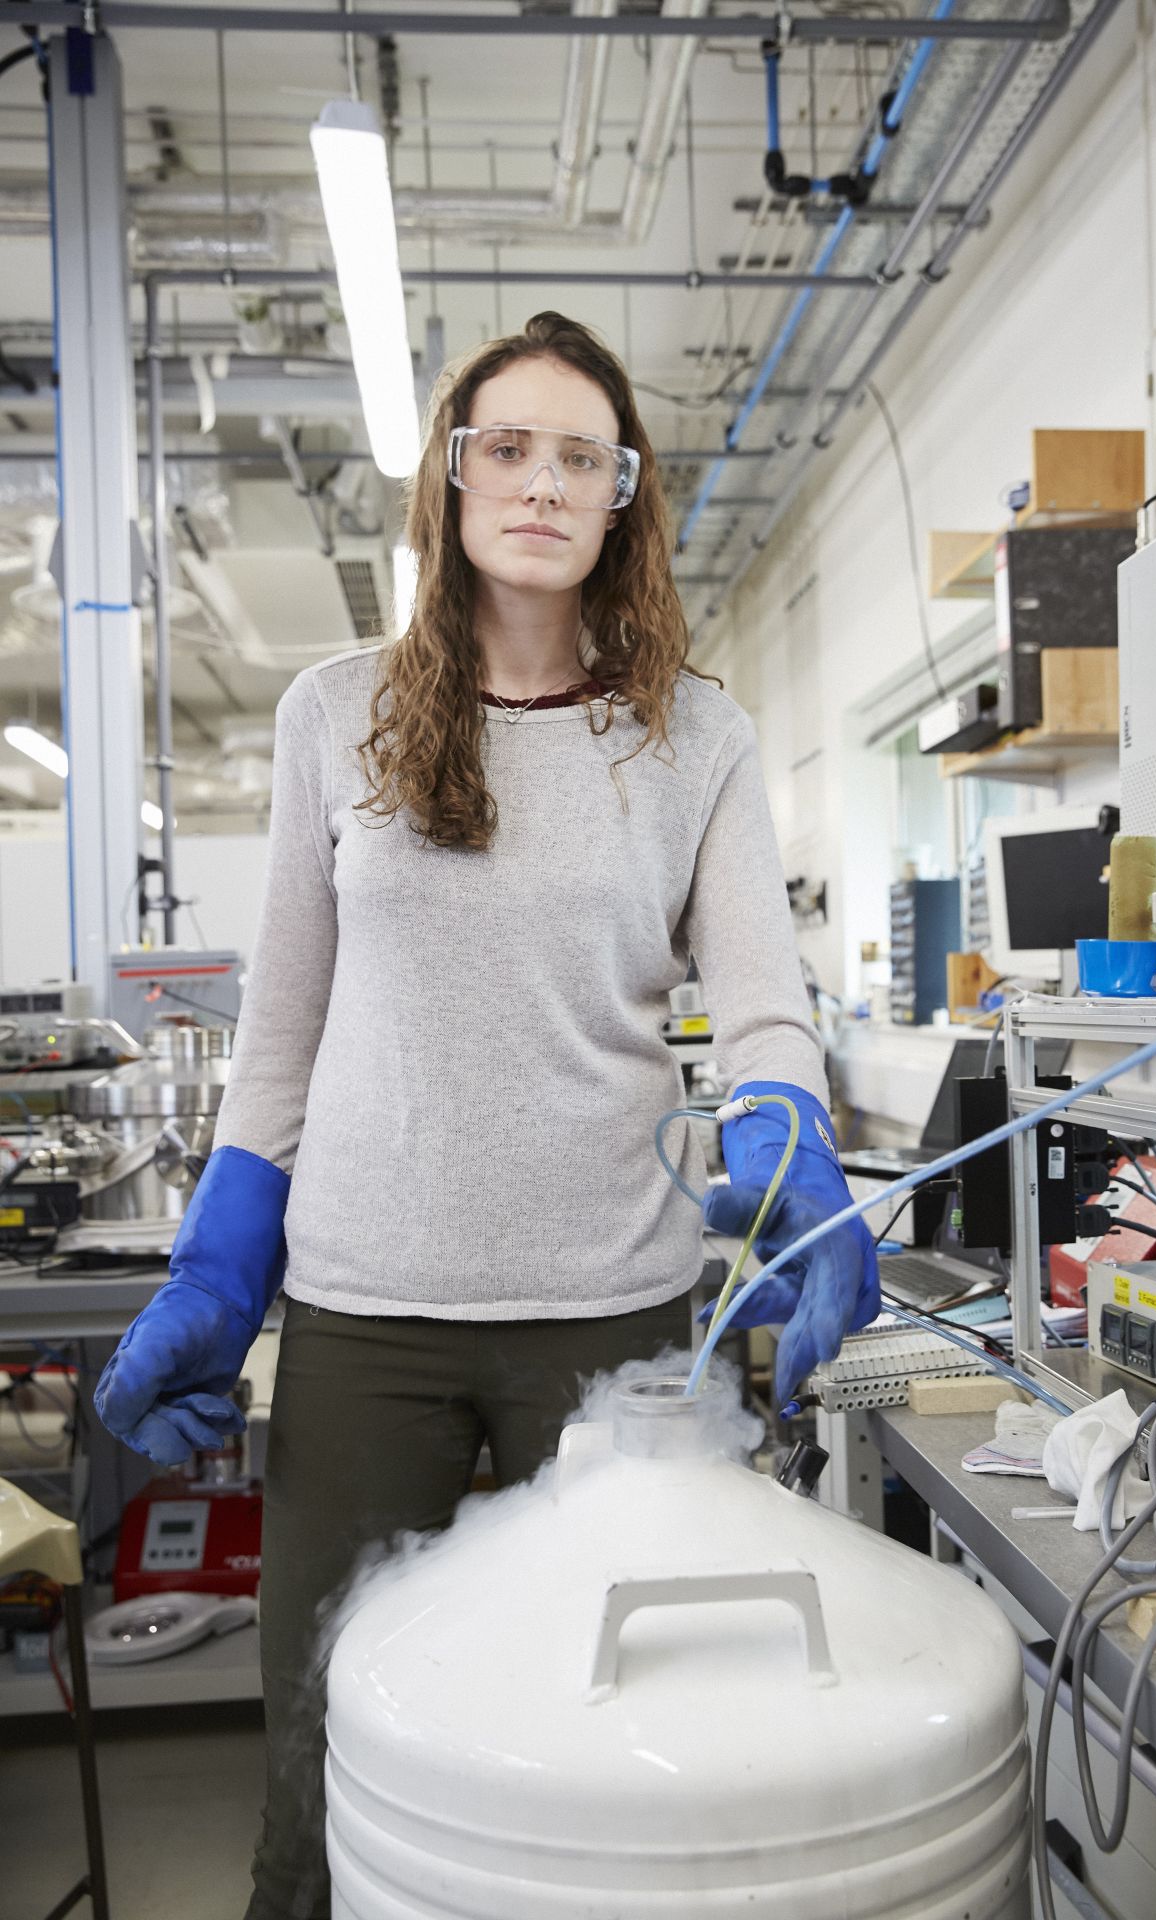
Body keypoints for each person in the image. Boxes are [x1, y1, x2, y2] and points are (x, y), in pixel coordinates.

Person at [94, 310, 879, 1918]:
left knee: (601, 1774)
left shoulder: (693, 733)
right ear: (450, 480)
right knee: (323, 1770)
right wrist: (214, 1265)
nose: (540, 481)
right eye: (505, 448)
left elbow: (761, 999)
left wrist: (786, 1139)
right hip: (367, 1317)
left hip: (611, 1322)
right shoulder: (336, 716)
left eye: (579, 454)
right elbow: (284, 1031)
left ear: (625, 495)